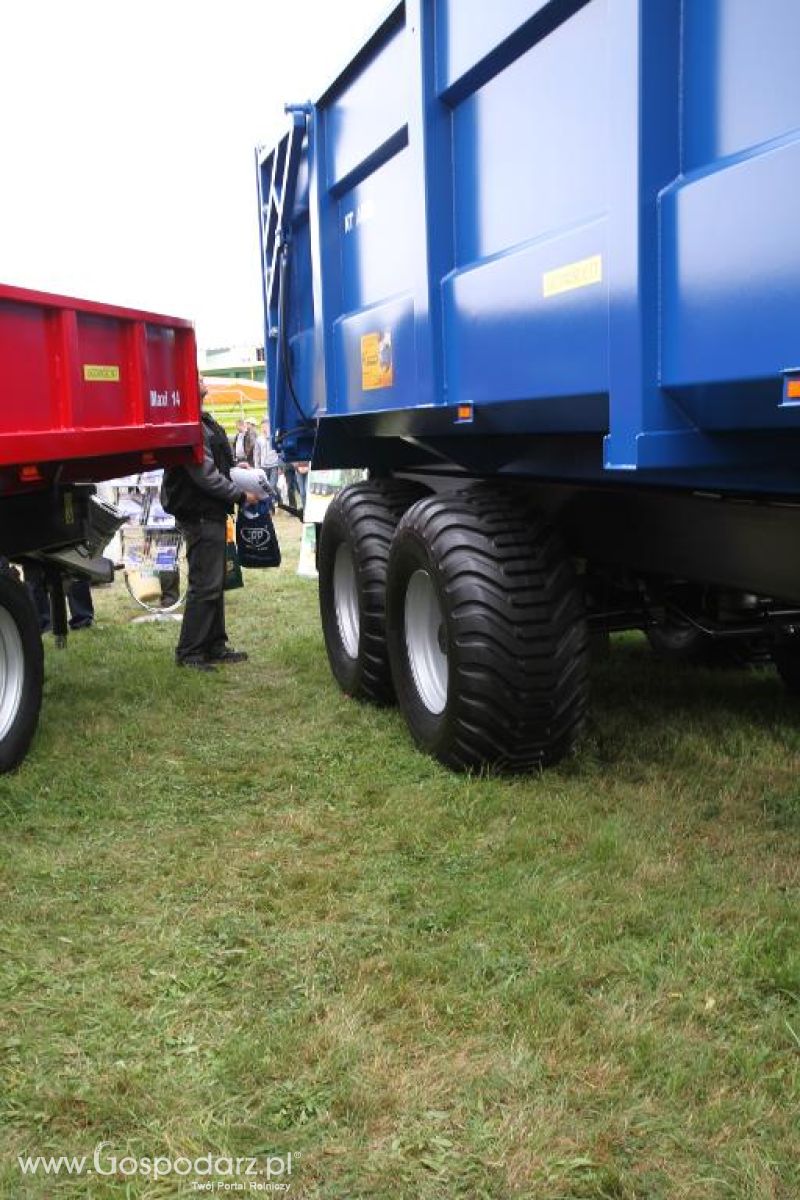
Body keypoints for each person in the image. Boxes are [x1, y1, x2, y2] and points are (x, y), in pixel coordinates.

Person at [161, 377, 259, 671]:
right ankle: (190, 652)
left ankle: (215, 645)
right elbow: (204, 476)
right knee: (205, 584)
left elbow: (215, 467)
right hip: (200, 514)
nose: (202, 379)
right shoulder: (188, 424)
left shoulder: (201, 420)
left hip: (211, 514)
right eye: (197, 376)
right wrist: (241, 495)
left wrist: (234, 470)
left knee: (214, 582)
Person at [254, 419, 282, 493]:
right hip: (263, 466)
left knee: (272, 486)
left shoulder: (274, 437)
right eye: (262, 427)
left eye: (265, 426)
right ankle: (278, 500)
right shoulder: (259, 439)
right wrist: (257, 466)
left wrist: (280, 466)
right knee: (266, 487)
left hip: (274, 465)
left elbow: (279, 451)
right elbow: (257, 454)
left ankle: (274, 502)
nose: (264, 428)